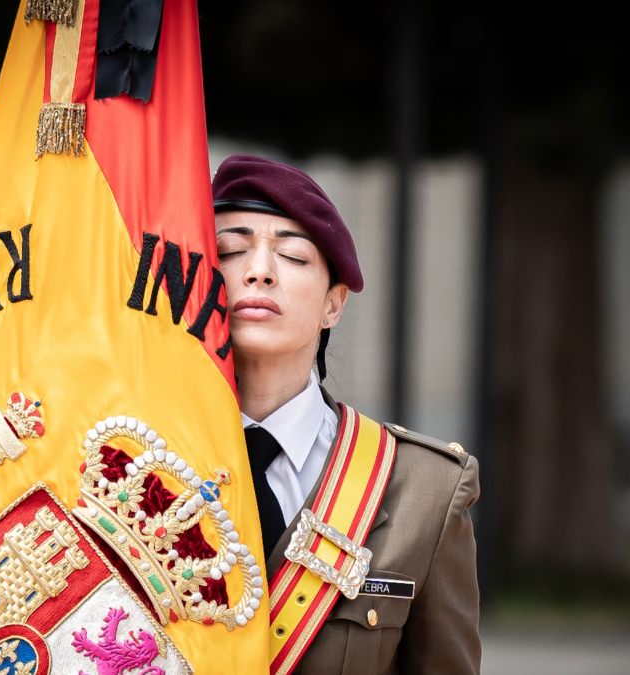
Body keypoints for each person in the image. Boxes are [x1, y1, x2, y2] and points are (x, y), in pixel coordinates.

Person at [212, 155, 482, 675]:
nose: (259, 270)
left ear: (334, 304)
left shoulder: (422, 491)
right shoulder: (131, 460)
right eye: (231, 249)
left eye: (291, 255)